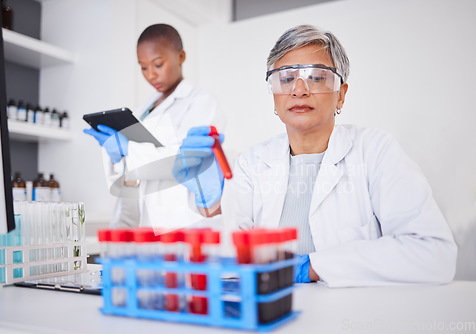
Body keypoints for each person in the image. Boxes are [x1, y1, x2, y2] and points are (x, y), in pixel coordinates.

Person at [174, 24, 457, 287]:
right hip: (273, 316)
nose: (298, 90)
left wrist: (313, 266)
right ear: (274, 94)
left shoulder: (375, 151)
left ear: (341, 95)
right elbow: (229, 252)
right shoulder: (253, 162)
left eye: (316, 77)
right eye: (286, 78)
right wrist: (212, 203)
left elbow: (433, 252)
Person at [84, 24, 223, 229]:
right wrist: (117, 157)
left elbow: (184, 159)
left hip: (178, 220)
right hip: (136, 217)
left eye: (158, 64)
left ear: (181, 57)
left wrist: (128, 150)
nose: (151, 75)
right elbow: (129, 174)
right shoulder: (142, 110)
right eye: (143, 67)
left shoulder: (200, 102)